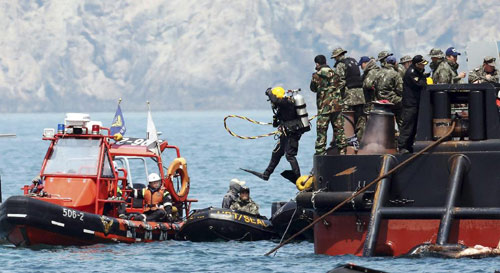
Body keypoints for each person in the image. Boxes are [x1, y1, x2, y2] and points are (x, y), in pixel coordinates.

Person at [242, 86, 305, 183]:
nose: (271, 103)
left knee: (290, 155)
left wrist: (268, 92)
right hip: (286, 133)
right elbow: (275, 124)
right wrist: (276, 119)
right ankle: (266, 174)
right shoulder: (281, 106)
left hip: (293, 133)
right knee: (277, 153)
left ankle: (298, 177)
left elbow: (276, 100)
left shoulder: (286, 102)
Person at [310, 54, 346, 155]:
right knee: (339, 129)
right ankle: (342, 150)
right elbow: (341, 84)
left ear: (317, 63)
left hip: (324, 107)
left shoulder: (316, 75)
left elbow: (313, 88)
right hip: (337, 106)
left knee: (322, 131)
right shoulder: (335, 73)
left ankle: (320, 153)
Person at [331, 47, 365, 136]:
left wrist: (334, 92)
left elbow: (341, 81)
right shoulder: (353, 61)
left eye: (335, 58)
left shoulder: (340, 65)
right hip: (360, 95)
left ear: (337, 56)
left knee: (347, 118)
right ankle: (361, 140)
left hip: (349, 96)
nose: (334, 60)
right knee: (360, 119)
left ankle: (349, 140)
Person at [398, 55, 428, 153]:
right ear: (417, 64)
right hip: (410, 104)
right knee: (408, 125)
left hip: (416, 103)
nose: (423, 67)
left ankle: (409, 146)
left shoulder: (418, 72)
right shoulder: (411, 73)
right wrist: (424, 79)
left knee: (414, 126)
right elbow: (420, 84)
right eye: (421, 65)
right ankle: (402, 146)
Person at [374, 55, 404, 128]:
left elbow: (374, 86)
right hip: (392, 100)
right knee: (402, 111)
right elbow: (400, 89)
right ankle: (402, 133)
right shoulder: (395, 74)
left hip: (379, 100)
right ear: (395, 63)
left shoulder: (378, 72)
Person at [358, 56, 381, 140]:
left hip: (372, 101)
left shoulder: (371, 72)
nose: (361, 67)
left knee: (372, 122)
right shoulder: (372, 71)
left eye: (361, 65)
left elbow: (367, 84)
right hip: (373, 101)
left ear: (365, 63)